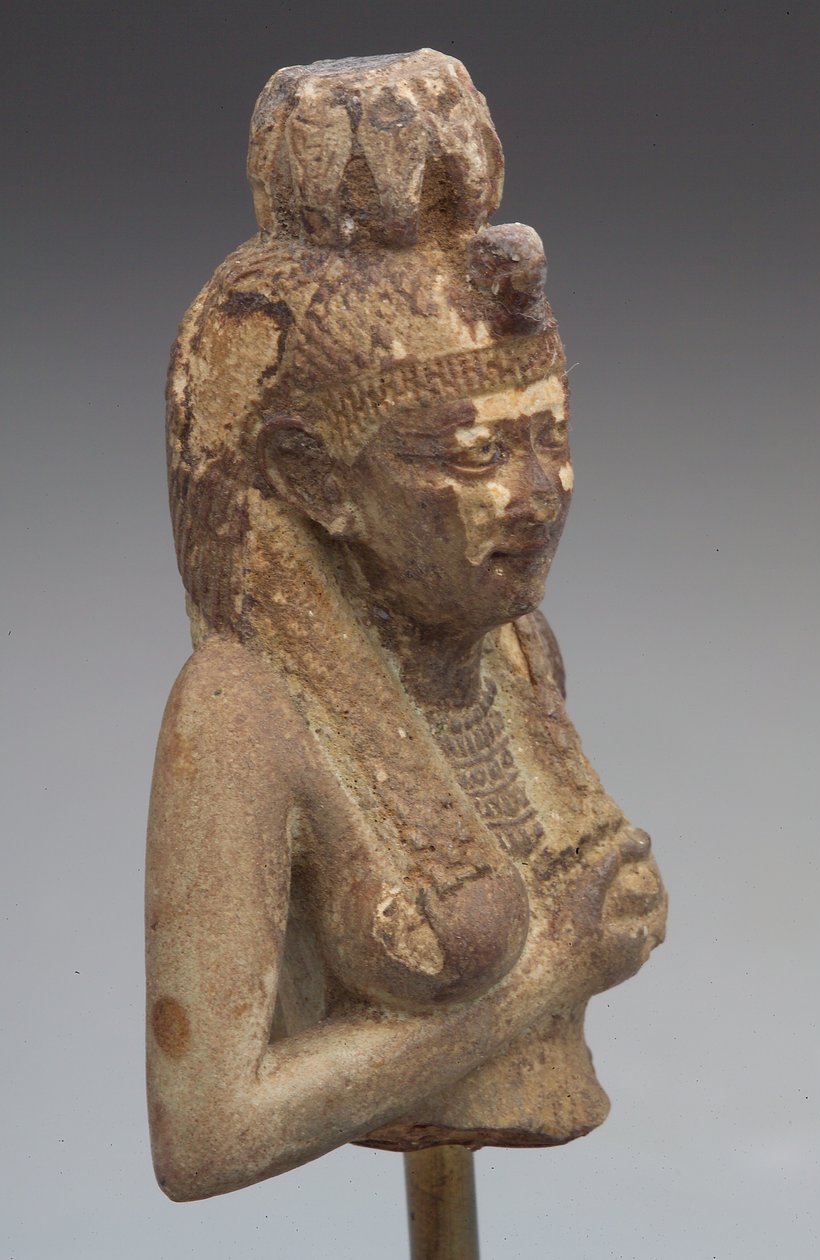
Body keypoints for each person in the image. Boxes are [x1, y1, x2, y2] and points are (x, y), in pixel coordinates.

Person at [146, 49, 666, 1202]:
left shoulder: (514, 647)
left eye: (550, 436)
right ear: (314, 479)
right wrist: (551, 975)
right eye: (472, 454)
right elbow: (206, 1135)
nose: (537, 496)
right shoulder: (238, 713)